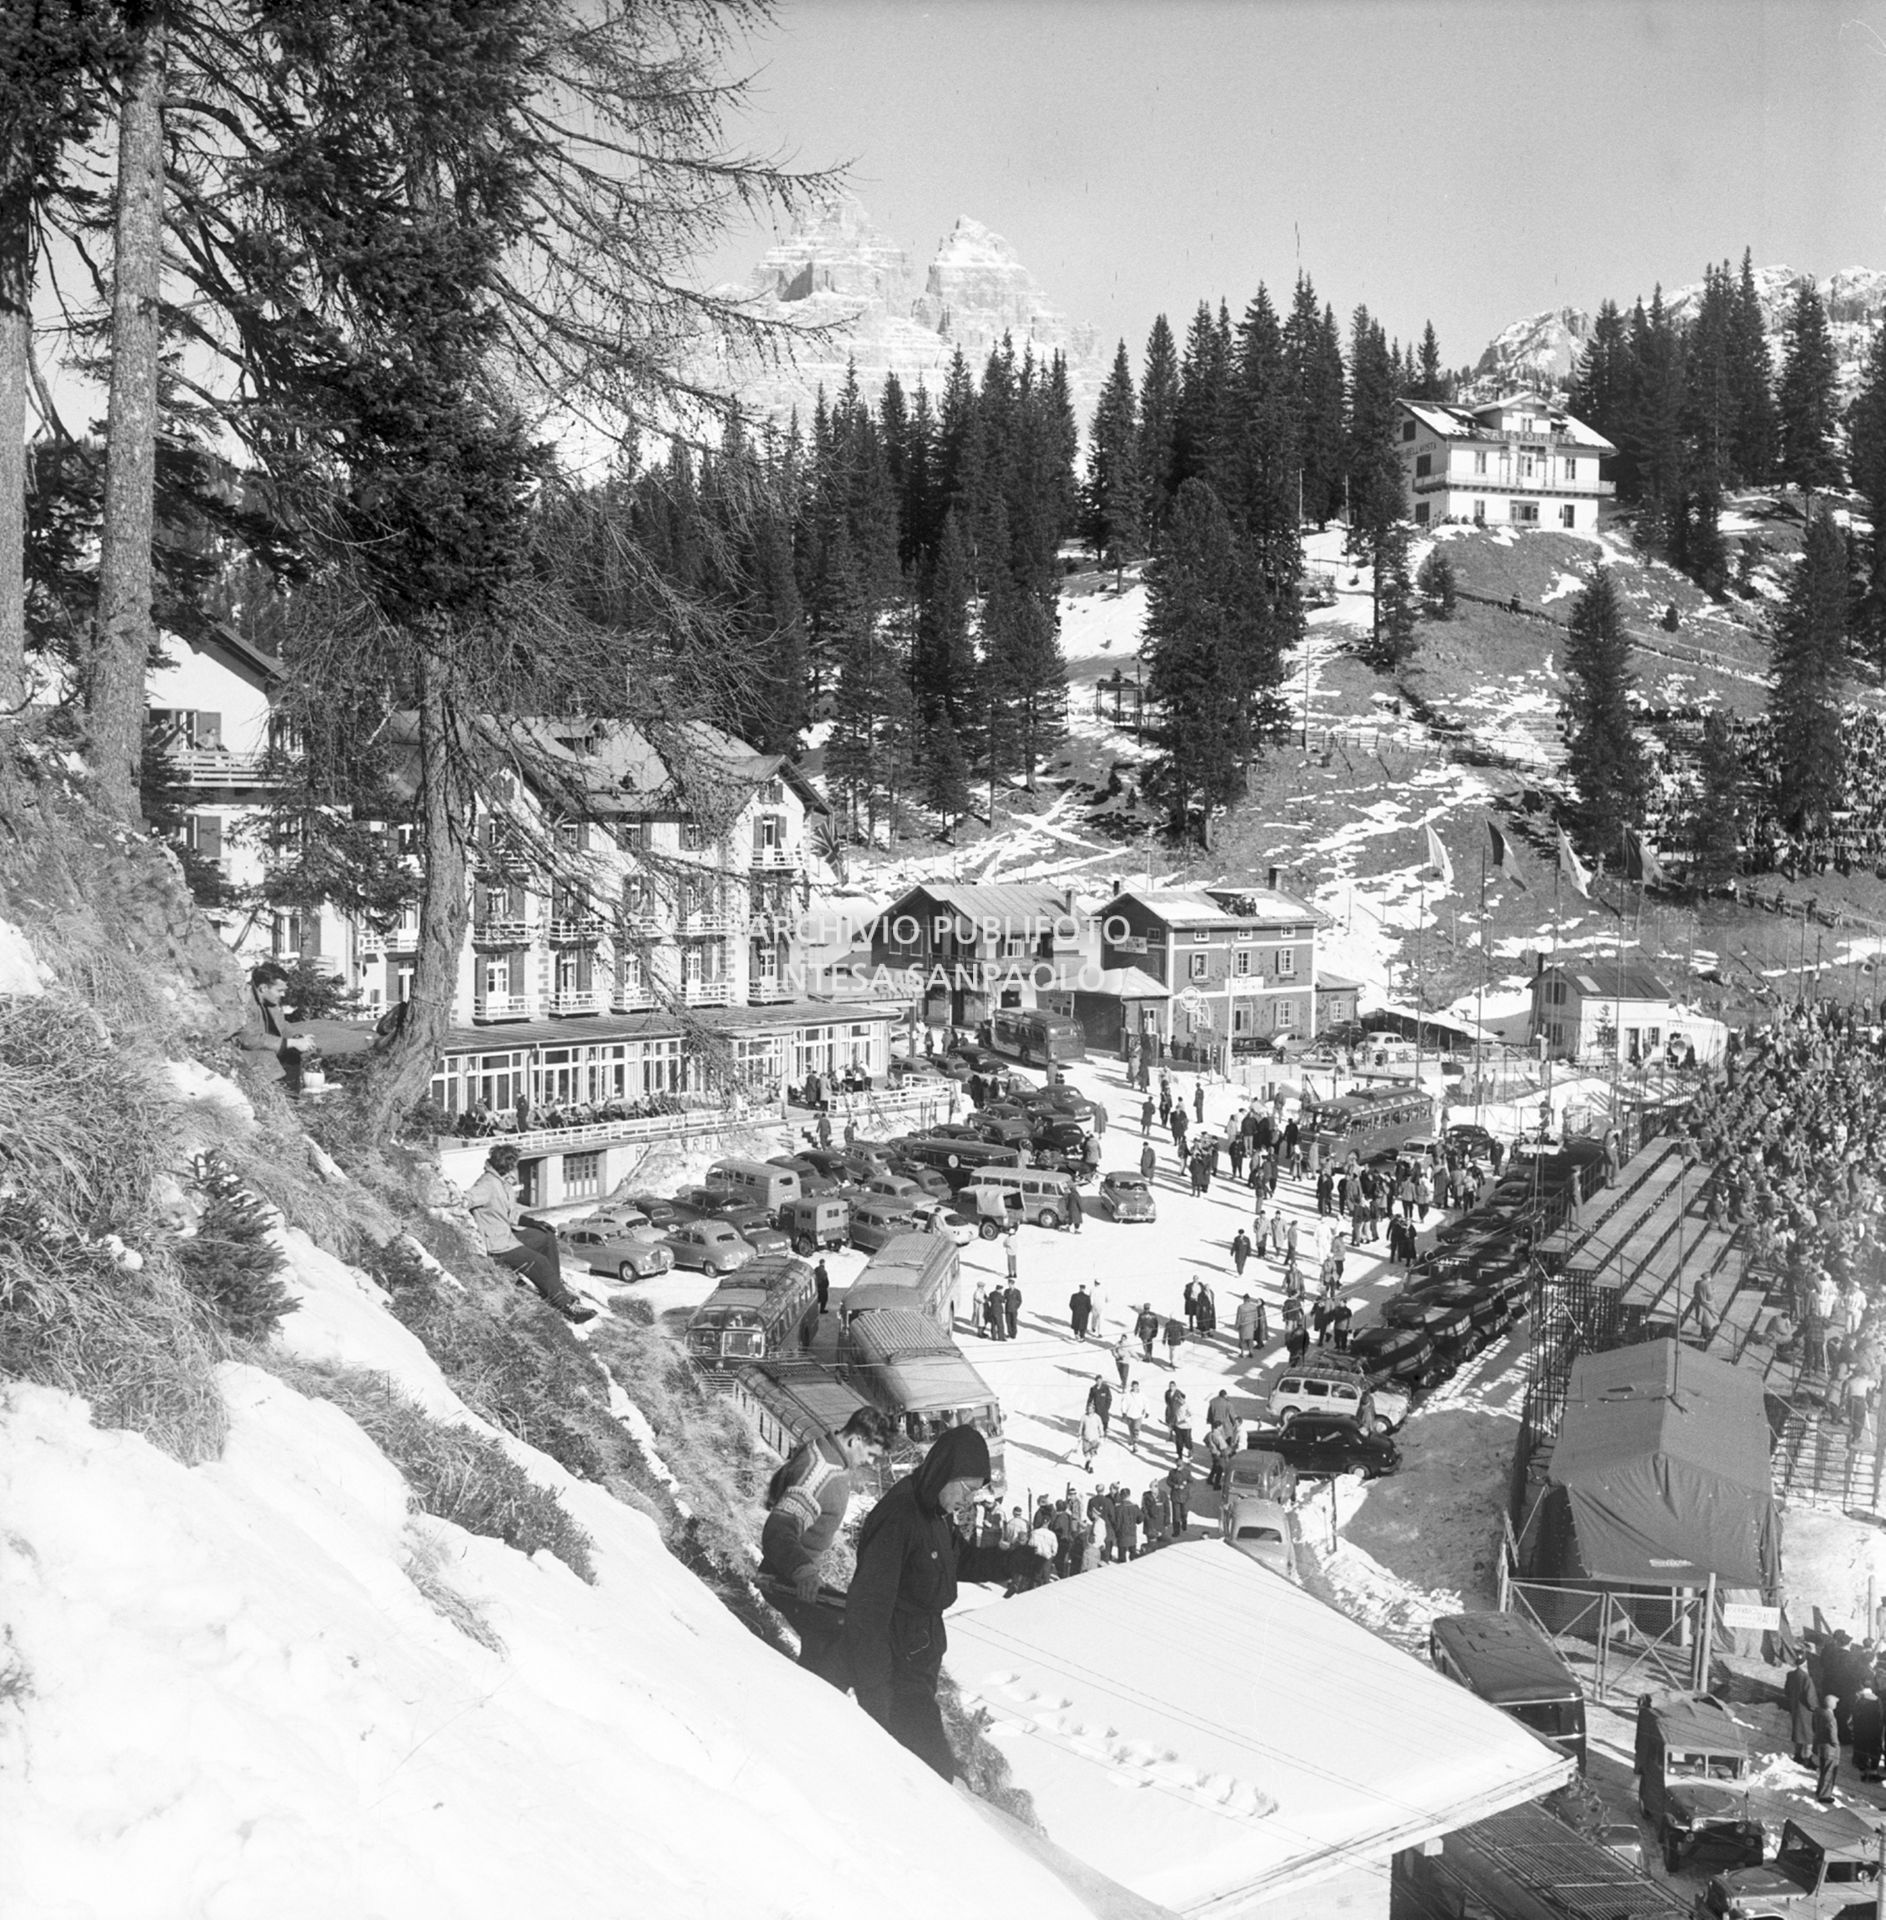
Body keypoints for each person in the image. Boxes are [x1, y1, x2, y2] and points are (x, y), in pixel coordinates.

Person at [845, 1426, 1026, 1780]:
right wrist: (876, 1698)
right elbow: (867, 1611)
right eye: (967, 1489)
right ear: (945, 1471)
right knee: (935, 1777)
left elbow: (960, 1560)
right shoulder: (899, 1517)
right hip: (896, 1679)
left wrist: (1012, 1562)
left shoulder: (934, 1512)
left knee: (933, 1774)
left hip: (918, 1666)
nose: (970, 1500)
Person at [759, 1407, 897, 1688]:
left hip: (797, 1574)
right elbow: (779, 1529)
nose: (869, 1462)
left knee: (840, 1626)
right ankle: (810, 1701)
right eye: (870, 1454)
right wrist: (803, 1571)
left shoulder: (825, 1452)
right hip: (785, 1577)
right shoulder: (820, 1473)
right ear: (855, 1439)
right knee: (840, 1633)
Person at [465, 1146, 596, 1322]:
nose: (513, 1167)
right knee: (539, 1261)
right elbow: (466, 1198)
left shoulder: (503, 1183)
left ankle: (554, 1289)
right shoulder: (487, 1184)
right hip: (497, 1245)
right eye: (512, 1163)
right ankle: (567, 1307)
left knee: (546, 1237)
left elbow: (511, 1214)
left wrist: (533, 1223)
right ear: (505, 1164)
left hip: (507, 1236)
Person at [233, 960, 377, 1097]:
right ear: (263, 988)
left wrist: (299, 1037)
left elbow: (282, 1027)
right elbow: (250, 1039)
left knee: (320, 1026)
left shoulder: (269, 1000)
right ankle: (374, 1039)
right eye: (279, 990)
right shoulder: (246, 1004)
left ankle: (374, 1024)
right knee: (321, 1043)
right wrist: (293, 1043)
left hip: (275, 1044)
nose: (283, 995)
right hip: (258, 1056)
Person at [1813, 1693, 1842, 1801]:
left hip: (1820, 1744)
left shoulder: (1819, 1712)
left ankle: (1820, 1790)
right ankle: (1824, 1795)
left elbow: (1814, 1727)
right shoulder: (1830, 1718)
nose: (1836, 1705)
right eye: (1835, 1703)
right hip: (1829, 1748)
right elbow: (1832, 1735)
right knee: (1829, 1772)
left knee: (1824, 1770)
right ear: (1831, 1705)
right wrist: (1836, 1745)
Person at [1120, 1377, 1146, 1450]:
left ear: (1138, 1386)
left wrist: (1147, 1411)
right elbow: (1123, 1403)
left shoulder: (1141, 1394)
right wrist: (1123, 1412)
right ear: (1131, 1387)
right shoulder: (1127, 1394)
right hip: (1130, 1414)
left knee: (1136, 1430)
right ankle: (1132, 1439)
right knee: (1131, 1429)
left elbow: (1146, 1402)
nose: (1135, 1388)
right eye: (1133, 1386)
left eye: (1136, 1386)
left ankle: (1135, 1444)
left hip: (1138, 1415)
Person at [1076, 1406, 1103, 1474]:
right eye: (1088, 1409)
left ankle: (1091, 1466)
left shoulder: (1097, 1417)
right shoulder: (1084, 1417)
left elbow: (1100, 1426)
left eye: (1090, 1409)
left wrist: (1101, 1436)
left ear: (1093, 1409)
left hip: (1094, 1438)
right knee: (1086, 1452)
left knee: (1093, 1453)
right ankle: (1088, 1461)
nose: (1089, 1410)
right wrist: (1079, 1435)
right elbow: (1081, 1427)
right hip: (1086, 1438)